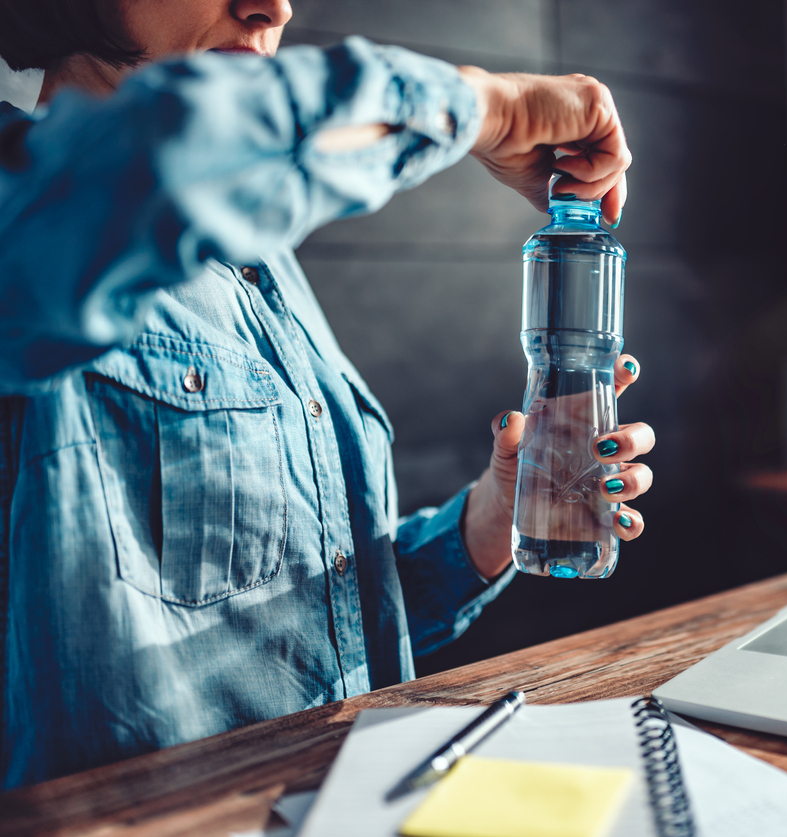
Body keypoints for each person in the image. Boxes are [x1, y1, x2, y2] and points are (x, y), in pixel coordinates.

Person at [0, 0, 654, 787]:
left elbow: (291, 631)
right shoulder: (27, 209)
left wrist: (484, 525)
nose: (272, 5)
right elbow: (162, 158)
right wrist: (487, 104)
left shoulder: (260, 258)